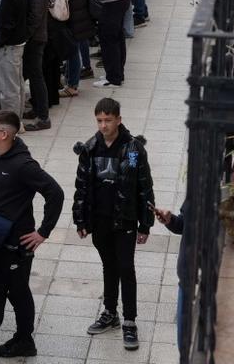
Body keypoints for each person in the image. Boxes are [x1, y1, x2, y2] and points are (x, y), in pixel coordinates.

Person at [0, 110, 64, 364]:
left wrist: (43, 232)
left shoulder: (23, 166)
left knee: (18, 292)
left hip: (16, 243)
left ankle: (25, 340)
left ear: (4, 134)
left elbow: (55, 193)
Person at [72, 97, 154, 351]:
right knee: (109, 265)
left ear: (119, 119)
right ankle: (110, 312)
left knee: (126, 268)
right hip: (100, 220)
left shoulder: (133, 150)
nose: (103, 125)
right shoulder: (90, 148)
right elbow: (81, 187)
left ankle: (129, 321)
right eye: (99, 120)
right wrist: (80, 219)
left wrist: (145, 224)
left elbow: (143, 186)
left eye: (108, 120)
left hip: (125, 219)